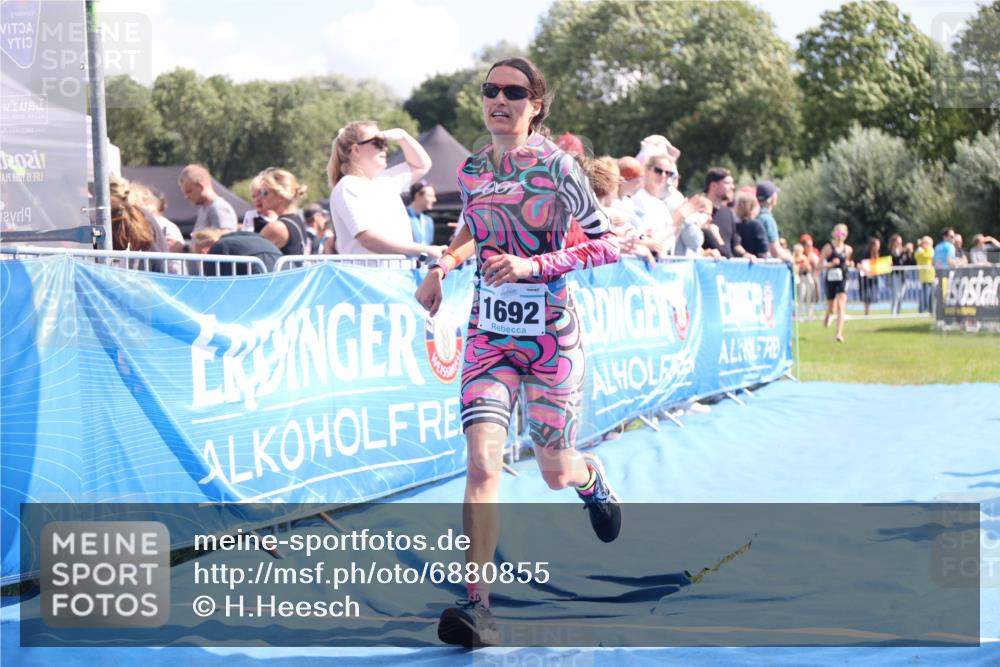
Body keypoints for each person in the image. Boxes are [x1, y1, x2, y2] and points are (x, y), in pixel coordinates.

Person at [413, 57, 622, 648]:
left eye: (513, 92)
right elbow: (475, 225)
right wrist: (442, 265)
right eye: (490, 90)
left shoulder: (560, 169)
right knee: (482, 464)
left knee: (554, 469)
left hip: (552, 334)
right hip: (488, 336)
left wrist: (533, 265)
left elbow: (605, 248)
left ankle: (590, 478)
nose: (499, 99)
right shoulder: (475, 168)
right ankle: (478, 607)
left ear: (536, 106)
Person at [327, 121, 445, 260]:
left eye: (385, 143)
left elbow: (422, 165)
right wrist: (423, 250)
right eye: (377, 142)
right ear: (356, 149)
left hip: (394, 274)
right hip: (365, 277)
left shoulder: (385, 179)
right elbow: (368, 239)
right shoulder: (348, 186)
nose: (384, 148)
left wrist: (402, 136)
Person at [108, 175, 168, 272]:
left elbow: (149, 248)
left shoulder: (128, 216)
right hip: (153, 275)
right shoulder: (139, 213)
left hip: (147, 278)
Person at [248, 167, 308, 256]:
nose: (260, 197)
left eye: (265, 193)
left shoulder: (276, 227)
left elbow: (248, 254)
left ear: (280, 196)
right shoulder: (296, 220)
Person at [631, 154, 677, 256]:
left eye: (668, 173)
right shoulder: (638, 198)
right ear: (647, 170)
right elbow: (647, 238)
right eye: (658, 170)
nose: (663, 175)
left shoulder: (660, 204)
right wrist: (676, 223)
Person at [178, 164, 238, 234]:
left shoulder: (219, 208)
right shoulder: (204, 209)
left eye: (189, 191)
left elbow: (225, 239)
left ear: (200, 187)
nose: (186, 197)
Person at [820, 223, 852, 341]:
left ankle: (839, 333)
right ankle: (828, 315)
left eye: (842, 234)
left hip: (843, 278)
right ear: (833, 233)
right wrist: (830, 264)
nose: (840, 236)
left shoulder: (848, 249)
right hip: (831, 278)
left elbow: (847, 261)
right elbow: (819, 265)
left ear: (846, 235)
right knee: (832, 307)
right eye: (838, 233)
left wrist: (849, 264)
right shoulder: (828, 248)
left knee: (841, 305)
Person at [756, 180, 790, 261]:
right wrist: (789, 257)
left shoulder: (755, 217)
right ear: (772, 198)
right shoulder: (767, 220)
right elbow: (775, 251)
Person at [733, 190, 769, 258]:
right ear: (754, 207)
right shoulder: (756, 225)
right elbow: (763, 251)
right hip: (754, 263)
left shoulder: (733, 225)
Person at [406, 179, 437, 246]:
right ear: (417, 195)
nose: (434, 199)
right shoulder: (403, 216)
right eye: (430, 196)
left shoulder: (428, 220)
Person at [886, 234, 911, 315]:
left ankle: (898, 313)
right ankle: (893, 313)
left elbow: (908, 261)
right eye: (898, 241)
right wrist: (902, 252)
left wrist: (909, 252)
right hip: (895, 275)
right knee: (896, 294)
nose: (900, 242)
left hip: (903, 275)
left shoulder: (903, 251)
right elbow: (896, 261)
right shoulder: (891, 251)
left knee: (901, 295)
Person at [857, 237, 881, 316]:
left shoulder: (876, 254)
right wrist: (866, 271)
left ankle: (868, 312)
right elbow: (859, 264)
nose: (879, 247)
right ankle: (866, 313)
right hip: (865, 278)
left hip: (873, 277)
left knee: (872, 295)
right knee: (866, 295)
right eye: (877, 245)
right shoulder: (865, 253)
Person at [914, 236, 935, 313]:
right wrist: (924, 248)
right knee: (924, 295)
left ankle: (931, 310)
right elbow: (925, 255)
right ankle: (922, 310)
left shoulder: (926, 251)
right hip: (924, 276)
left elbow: (930, 255)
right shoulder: (920, 251)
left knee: (931, 295)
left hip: (931, 276)